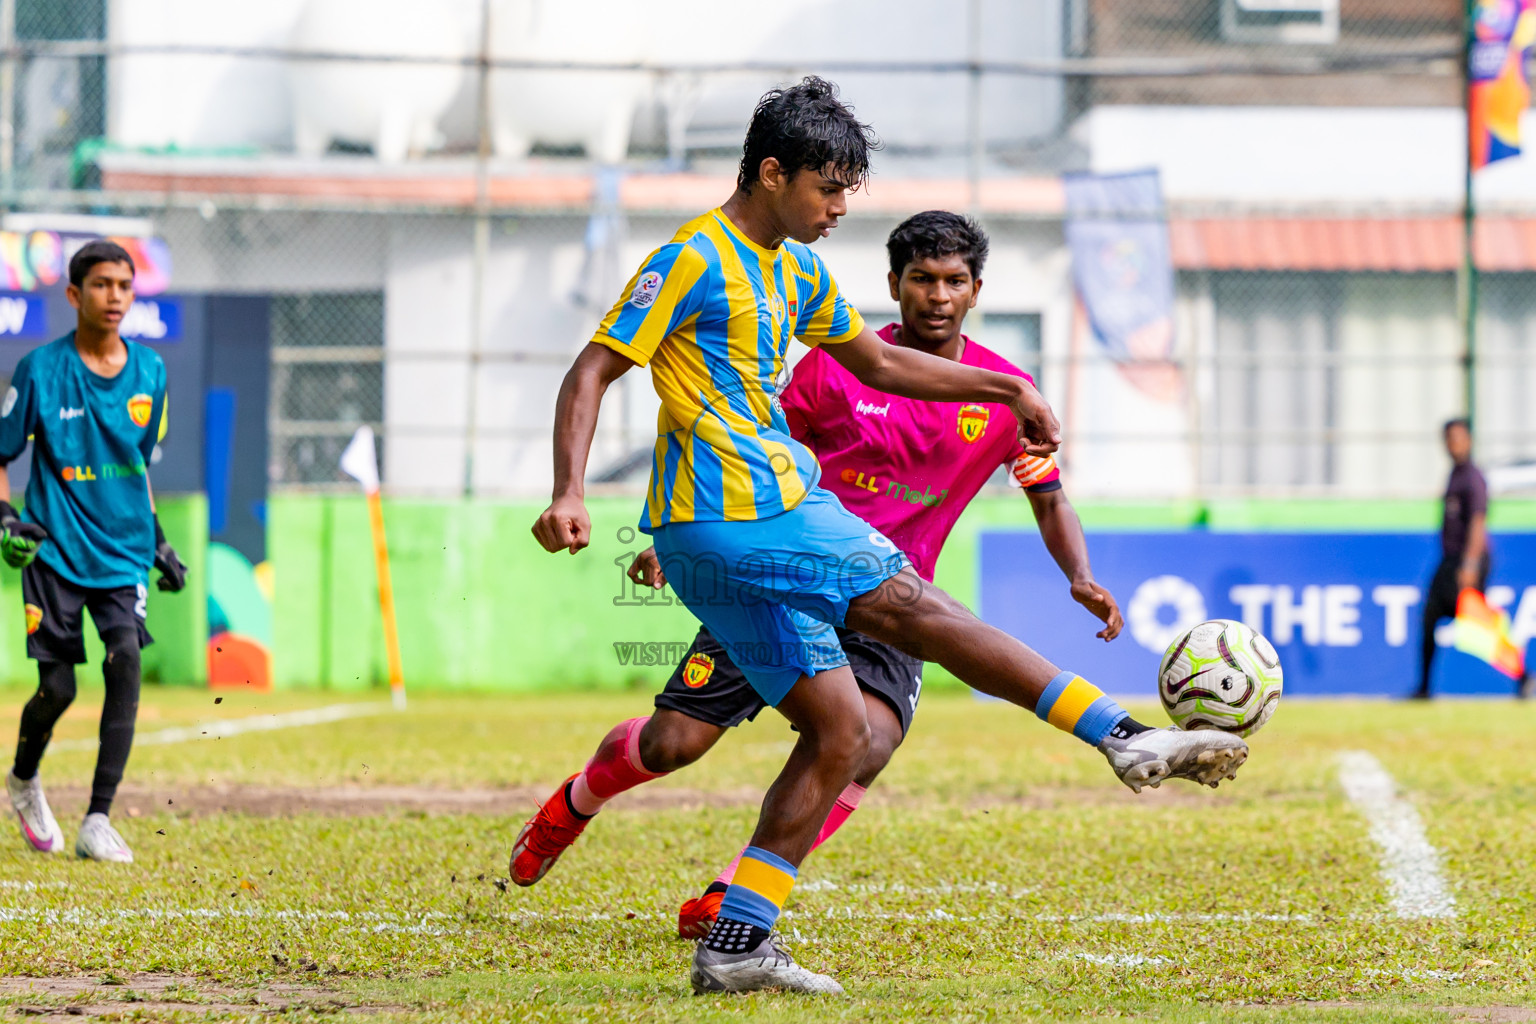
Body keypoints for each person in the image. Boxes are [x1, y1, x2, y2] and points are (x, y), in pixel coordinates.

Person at [528, 78, 1247, 995]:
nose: (838, 209)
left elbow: (878, 360)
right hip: (749, 516)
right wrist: (568, 491)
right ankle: (1121, 734)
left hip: (734, 534)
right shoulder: (692, 258)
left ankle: (736, 945)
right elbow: (592, 370)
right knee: (920, 610)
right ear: (773, 171)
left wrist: (1009, 390)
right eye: (828, 190)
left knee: (840, 733)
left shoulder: (794, 271)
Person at [512, 211, 1127, 944]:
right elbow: (755, 454)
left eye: (954, 281)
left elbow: (1047, 493)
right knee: (675, 742)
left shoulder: (1002, 394)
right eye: (922, 280)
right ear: (893, 285)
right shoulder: (835, 364)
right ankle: (576, 802)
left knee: (865, 740)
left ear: (977, 290)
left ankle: (734, 895)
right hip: (783, 568)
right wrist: (690, 536)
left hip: (895, 599)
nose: (937, 296)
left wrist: (1080, 575)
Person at [1, 240, 187, 864]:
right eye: (102, 285)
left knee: (125, 658)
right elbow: (3, 456)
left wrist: (157, 538)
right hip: (54, 549)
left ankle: (98, 819)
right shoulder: (39, 370)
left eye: (125, 286)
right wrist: (6, 516)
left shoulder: (152, 373)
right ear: (74, 294)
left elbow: (138, 465)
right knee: (58, 688)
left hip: (122, 551)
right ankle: (24, 780)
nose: (115, 297)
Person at [1413, 417, 1489, 700]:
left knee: (1480, 625)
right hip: (1451, 560)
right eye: (1449, 438)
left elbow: (1478, 521)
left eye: (1458, 437)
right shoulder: (1455, 474)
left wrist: (1470, 564)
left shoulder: (1472, 477)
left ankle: (1523, 676)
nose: (1453, 443)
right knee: (1430, 617)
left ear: (1468, 440)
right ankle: (1423, 687)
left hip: (1466, 562)